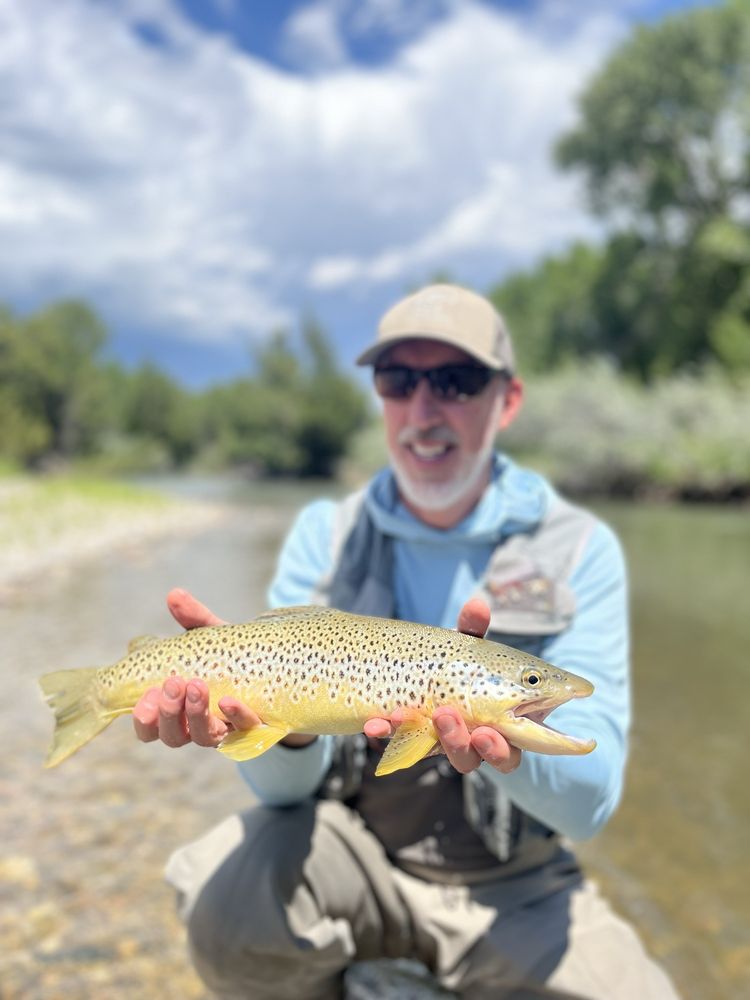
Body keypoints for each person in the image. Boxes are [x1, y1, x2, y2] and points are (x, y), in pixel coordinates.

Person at [133, 284, 679, 999]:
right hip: (359, 860)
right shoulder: (324, 537)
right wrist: (280, 729)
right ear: (380, 397)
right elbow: (285, 794)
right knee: (226, 902)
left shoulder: (578, 548)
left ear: (507, 400)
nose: (424, 409)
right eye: (399, 380)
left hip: (519, 891)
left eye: (455, 381)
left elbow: (593, 801)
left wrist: (505, 750)